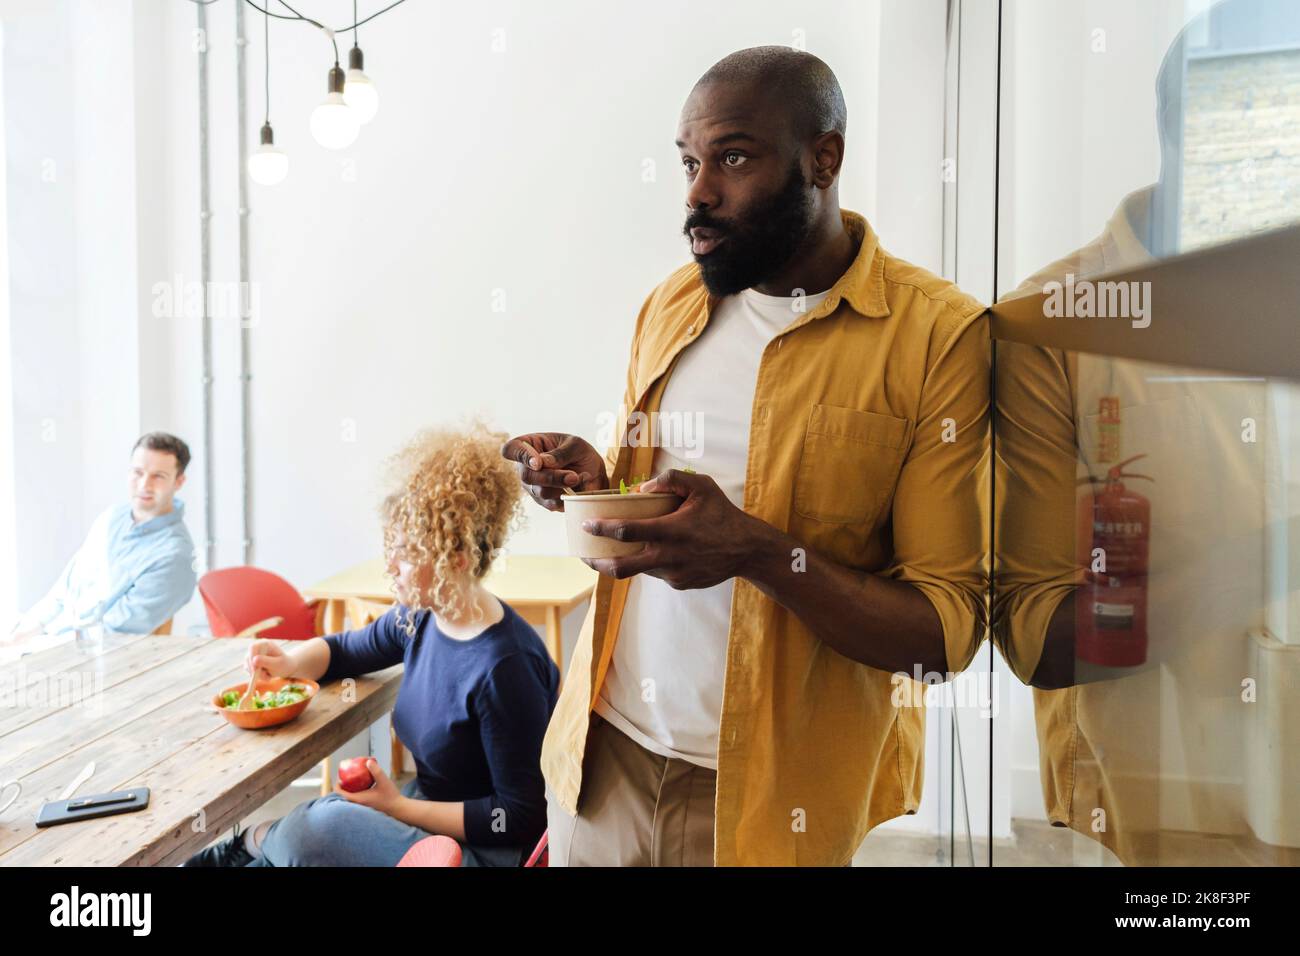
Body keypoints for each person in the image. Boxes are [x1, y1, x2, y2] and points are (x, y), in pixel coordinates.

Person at [502, 46, 990, 866]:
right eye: (690, 162)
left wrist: (762, 554)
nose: (698, 192)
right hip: (602, 755)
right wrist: (604, 484)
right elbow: (666, 506)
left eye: (732, 157)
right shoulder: (671, 301)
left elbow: (942, 637)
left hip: (773, 803)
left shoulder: (940, 339)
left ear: (823, 158)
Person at [184, 423, 560, 867]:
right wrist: (287, 660)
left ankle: (251, 842)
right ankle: (253, 852)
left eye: (405, 551)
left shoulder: (505, 666)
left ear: (456, 561)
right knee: (318, 831)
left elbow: (517, 816)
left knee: (317, 829)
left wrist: (396, 808)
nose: (391, 565)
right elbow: (344, 651)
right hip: (426, 821)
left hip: (482, 852)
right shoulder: (420, 617)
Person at [5, 432, 197, 643]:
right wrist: (26, 630)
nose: (144, 485)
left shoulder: (174, 556)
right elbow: (64, 591)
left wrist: (38, 643)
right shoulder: (112, 518)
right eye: (137, 472)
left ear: (179, 482)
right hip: (51, 638)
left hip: (87, 659)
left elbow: (111, 635)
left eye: (158, 476)